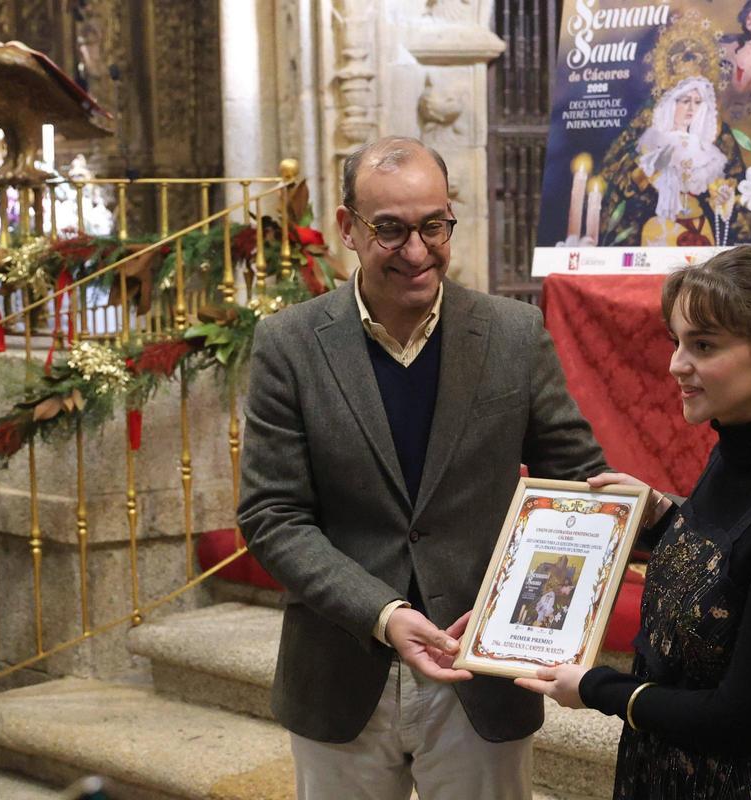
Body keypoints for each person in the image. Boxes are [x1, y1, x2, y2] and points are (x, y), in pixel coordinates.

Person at [237, 136, 607, 800]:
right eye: (391, 230)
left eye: (433, 226)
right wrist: (381, 611)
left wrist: (541, 609)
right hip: (341, 672)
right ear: (348, 227)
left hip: (482, 675)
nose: (416, 250)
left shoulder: (513, 334)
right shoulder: (289, 346)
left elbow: (576, 488)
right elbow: (272, 516)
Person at [516, 245, 751, 799]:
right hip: (666, 765)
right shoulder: (735, 449)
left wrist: (597, 688)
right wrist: (662, 516)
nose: (676, 364)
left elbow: (739, 718)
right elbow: (731, 562)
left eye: (703, 346)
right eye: (676, 341)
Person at [635, 75, 728, 247]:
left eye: (698, 102)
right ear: (673, 104)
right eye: (686, 101)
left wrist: (722, 198)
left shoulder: (707, 151)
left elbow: (715, 194)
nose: (691, 108)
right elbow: (642, 180)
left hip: (700, 223)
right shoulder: (656, 141)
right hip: (663, 224)